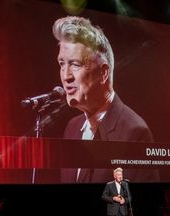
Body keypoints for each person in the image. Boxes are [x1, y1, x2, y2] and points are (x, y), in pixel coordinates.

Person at [53, 15, 154, 183]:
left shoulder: (135, 133)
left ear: (104, 73)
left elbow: (139, 204)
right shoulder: (72, 128)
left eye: (75, 64)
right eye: (62, 63)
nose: (66, 76)